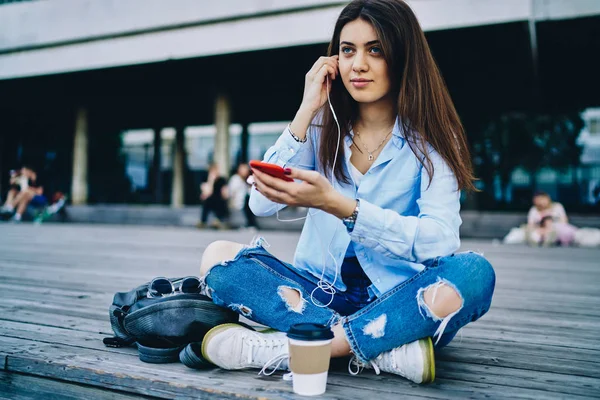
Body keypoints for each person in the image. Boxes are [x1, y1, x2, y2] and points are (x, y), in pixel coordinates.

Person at [196, 0, 495, 385]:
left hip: (400, 299)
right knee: (217, 257)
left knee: (474, 272)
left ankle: (296, 347)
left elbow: (439, 241)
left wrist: (343, 207)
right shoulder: (323, 125)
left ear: (403, 58)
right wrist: (306, 109)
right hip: (318, 296)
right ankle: (385, 351)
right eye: (347, 50)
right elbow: (261, 202)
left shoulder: (433, 137)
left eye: (375, 50)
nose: (358, 64)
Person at [228, 163, 259, 230]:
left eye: (245, 169)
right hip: (239, 202)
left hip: (248, 201)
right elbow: (231, 192)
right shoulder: (235, 179)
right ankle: (251, 224)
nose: (244, 171)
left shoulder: (249, 179)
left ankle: (251, 224)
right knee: (248, 200)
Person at [198, 163, 229, 229]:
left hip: (219, 200)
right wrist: (211, 181)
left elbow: (225, 194)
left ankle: (218, 220)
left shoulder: (222, 180)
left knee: (219, 201)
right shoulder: (204, 179)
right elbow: (208, 192)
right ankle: (204, 221)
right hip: (209, 199)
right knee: (207, 199)